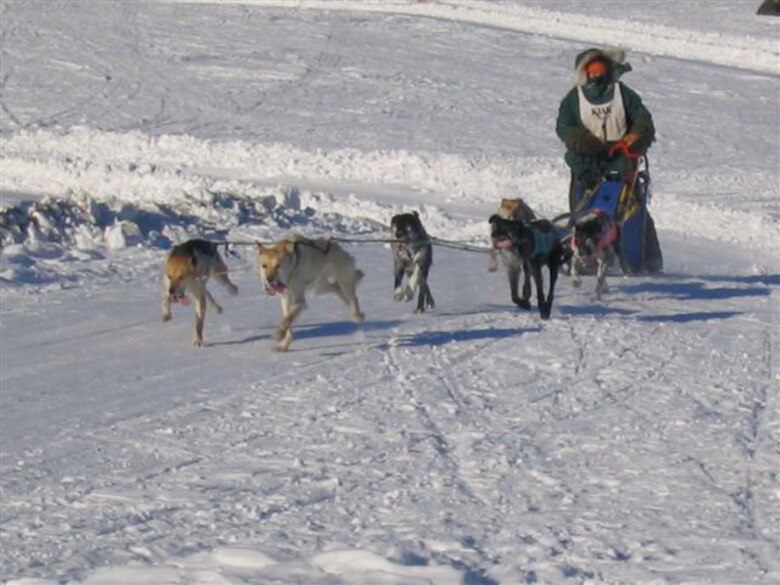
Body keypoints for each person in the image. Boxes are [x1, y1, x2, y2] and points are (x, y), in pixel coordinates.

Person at [555, 47, 662, 274]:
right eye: (591, 70)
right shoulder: (573, 100)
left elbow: (643, 121)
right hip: (586, 163)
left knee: (633, 212)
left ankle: (648, 261)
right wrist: (586, 144)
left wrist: (636, 138)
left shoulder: (623, 94)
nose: (596, 75)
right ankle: (582, 257)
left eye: (599, 68)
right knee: (582, 213)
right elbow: (565, 128)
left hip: (622, 160)